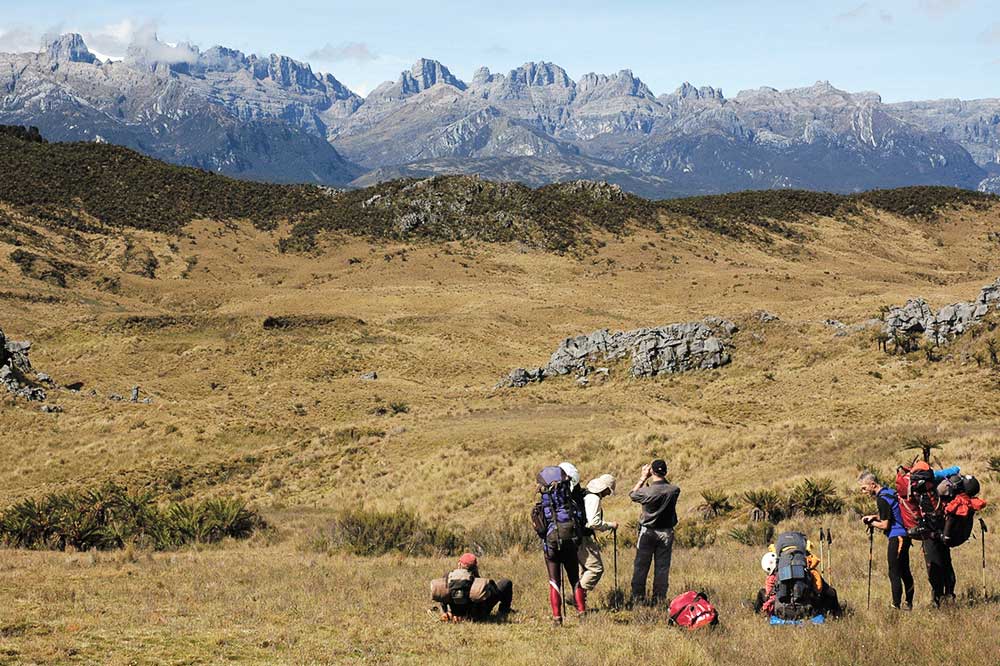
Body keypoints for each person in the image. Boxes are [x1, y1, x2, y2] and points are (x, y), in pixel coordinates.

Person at [858, 471, 914, 610]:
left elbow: (885, 525)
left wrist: (871, 523)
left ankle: (896, 605)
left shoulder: (881, 499)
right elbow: (892, 513)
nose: (863, 491)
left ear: (872, 484)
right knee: (904, 570)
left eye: (864, 488)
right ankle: (908, 603)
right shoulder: (889, 492)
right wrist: (875, 516)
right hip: (904, 535)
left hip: (897, 537)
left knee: (895, 572)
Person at [537, 465, 586, 625]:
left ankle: (557, 618)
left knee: (554, 581)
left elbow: (540, 529)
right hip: (570, 543)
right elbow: (580, 520)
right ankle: (582, 613)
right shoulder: (571, 504)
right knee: (575, 579)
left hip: (551, 546)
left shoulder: (543, 508)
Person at [629, 459, 679, 604]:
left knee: (641, 567)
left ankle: (637, 598)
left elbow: (632, 495)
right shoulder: (674, 490)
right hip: (666, 533)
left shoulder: (646, 492)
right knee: (662, 568)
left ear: (652, 472)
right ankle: (659, 599)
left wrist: (643, 477)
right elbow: (666, 485)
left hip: (647, 532)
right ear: (665, 472)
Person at [435, 553, 513, 622]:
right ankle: (504, 610)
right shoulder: (476, 579)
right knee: (506, 582)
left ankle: (449, 614)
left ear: (459, 564)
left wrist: (445, 611)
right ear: (474, 566)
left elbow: (443, 596)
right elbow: (492, 592)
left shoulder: (448, 576)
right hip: (478, 615)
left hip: (454, 613)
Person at [579, 474, 618, 605]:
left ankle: (579, 604)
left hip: (576, 537)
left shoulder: (585, 494)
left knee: (583, 570)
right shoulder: (594, 498)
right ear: (604, 488)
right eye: (608, 490)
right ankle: (577, 596)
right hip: (584, 538)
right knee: (596, 569)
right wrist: (609, 525)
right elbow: (593, 523)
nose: (608, 494)